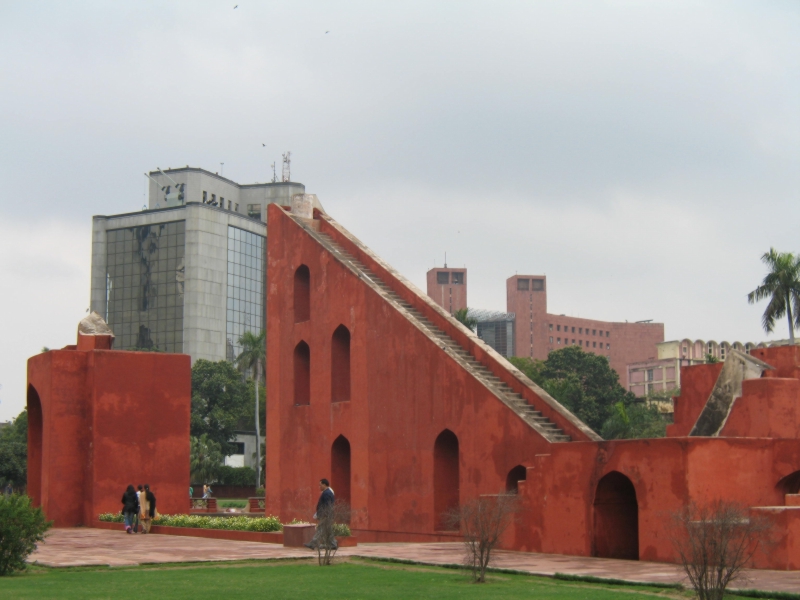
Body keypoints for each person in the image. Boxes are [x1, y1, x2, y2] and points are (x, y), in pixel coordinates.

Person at [304, 479, 337, 550]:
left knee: (320, 529)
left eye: (320, 485)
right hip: (327, 514)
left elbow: (327, 505)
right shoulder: (328, 492)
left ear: (324, 484)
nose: (319, 486)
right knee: (328, 529)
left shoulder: (327, 493)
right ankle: (333, 544)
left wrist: (323, 514)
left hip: (325, 515)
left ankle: (313, 543)